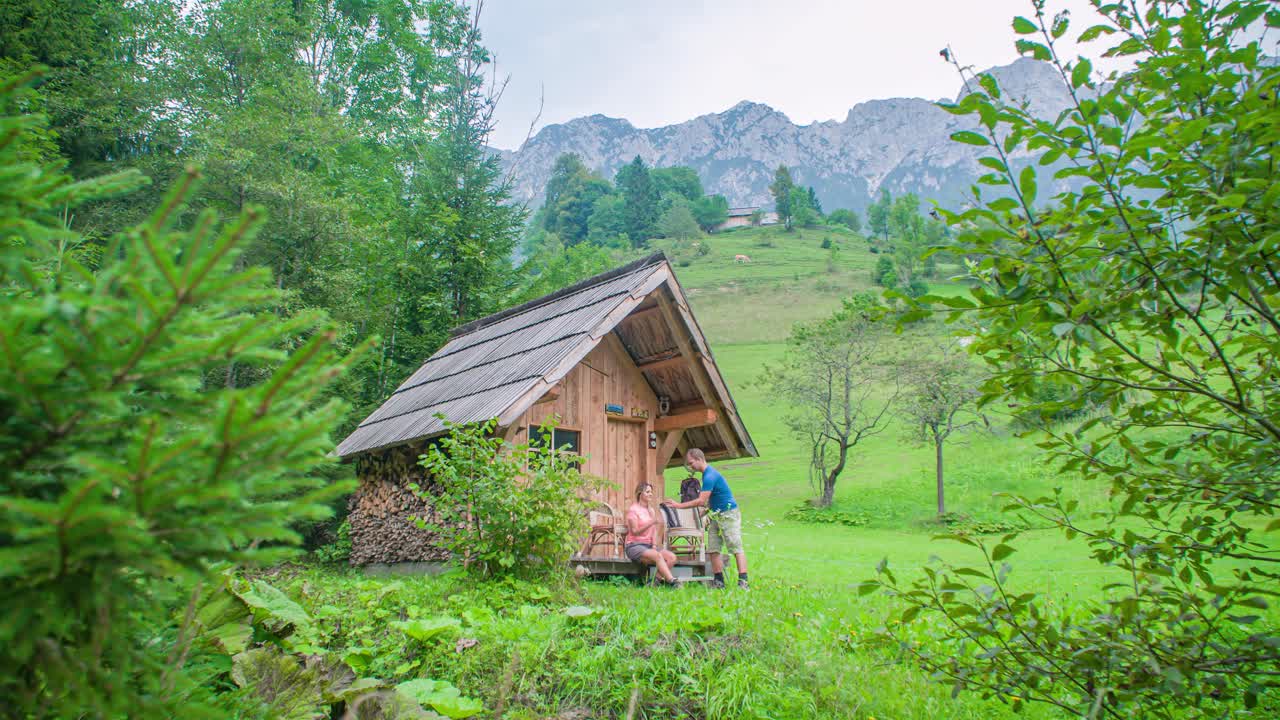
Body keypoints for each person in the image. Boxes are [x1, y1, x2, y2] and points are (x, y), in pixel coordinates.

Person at [662, 448, 748, 589]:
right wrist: (707, 510)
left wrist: (678, 505)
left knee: (735, 546)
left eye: (691, 463)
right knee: (713, 549)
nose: (691, 467)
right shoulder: (705, 475)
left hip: (728, 513)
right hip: (716, 514)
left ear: (699, 459)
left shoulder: (710, 476)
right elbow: (713, 497)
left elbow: (701, 500)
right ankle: (719, 581)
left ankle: (743, 581)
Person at [625, 482, 679, 587]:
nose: (651, 494)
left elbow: (653, 531)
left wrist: (654, 545)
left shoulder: (651, 510)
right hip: (634, 546)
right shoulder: (633, 510)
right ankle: (672, 582)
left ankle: (654, 581)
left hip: (649, 546)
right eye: (648, 492)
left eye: (651, 492)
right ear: (640, 494)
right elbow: (635, 531)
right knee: (658, 556)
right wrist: (651, 522)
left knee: (672, 557)